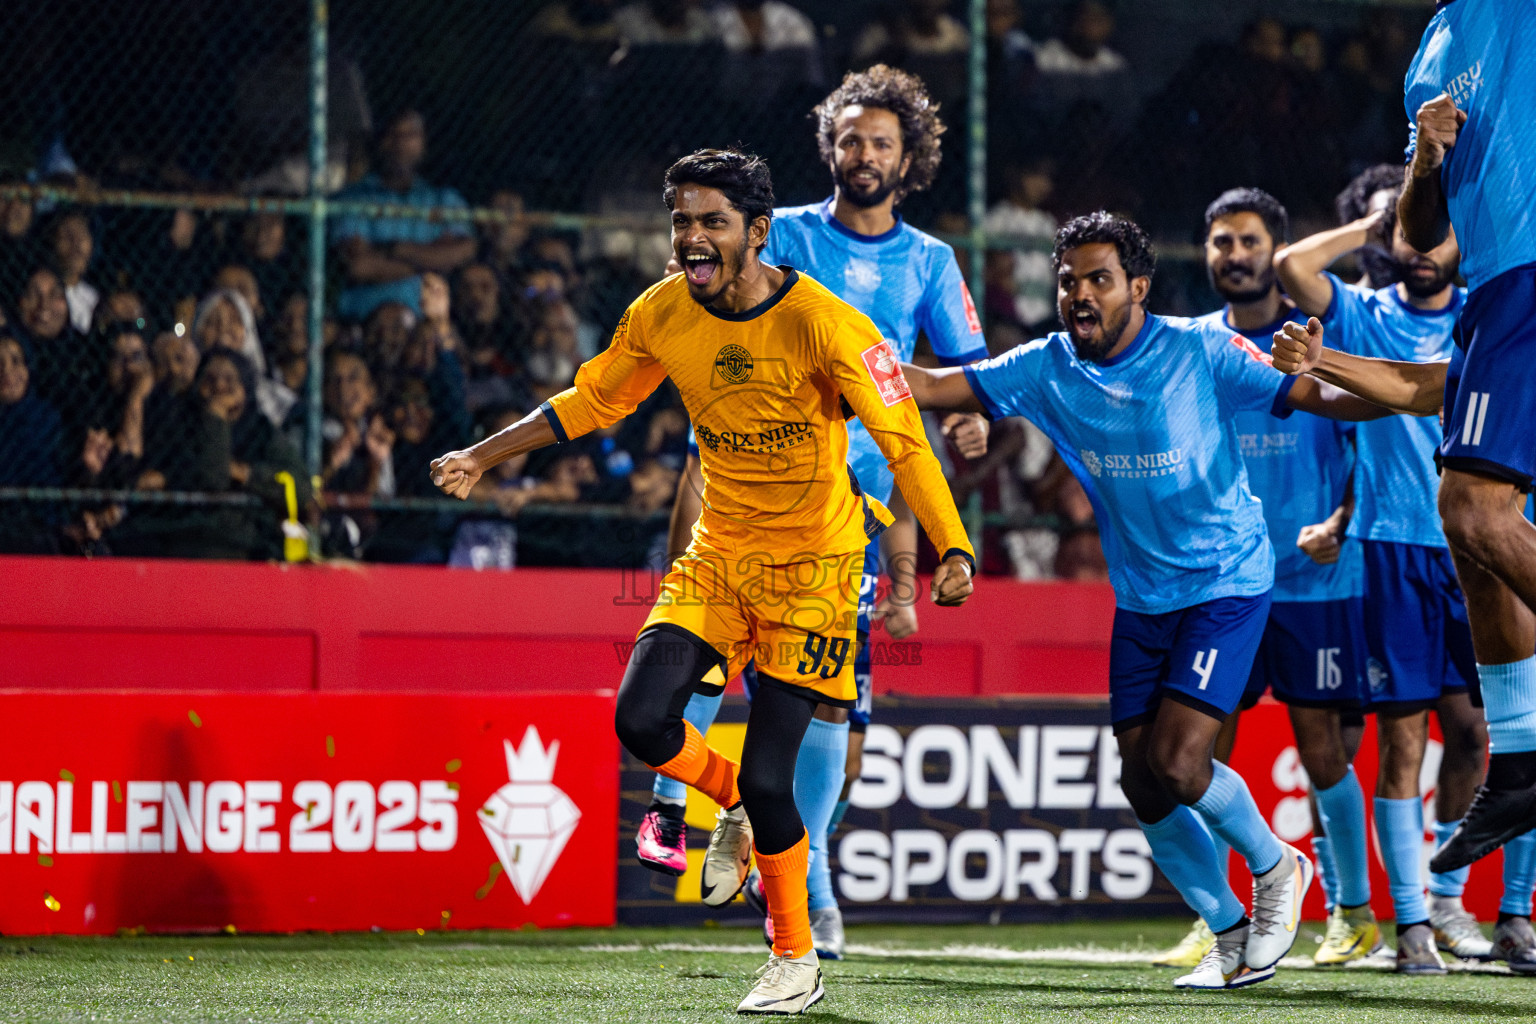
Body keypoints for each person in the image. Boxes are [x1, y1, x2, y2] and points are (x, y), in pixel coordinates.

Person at [430, 148, 976, 1015]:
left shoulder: (829, 326)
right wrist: (482, 456)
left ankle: (795, 956)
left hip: (814, 574)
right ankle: (730, 804)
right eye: (681, 220)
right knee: (640, 718)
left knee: (773, 781)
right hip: (719, 561)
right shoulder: (660, 313)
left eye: (711, 222)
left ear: (758, 233)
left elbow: (906, 441)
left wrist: (953, 548)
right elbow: (592, 400)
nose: (691, 237)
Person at [899, 210, 1394, 990]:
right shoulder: (1047, 365)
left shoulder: (1201, 349)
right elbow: (930, 388)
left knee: (1177, 759)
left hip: (1227, 579)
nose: (1080, 296)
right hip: (1142, 598)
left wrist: (1390, 383)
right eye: (1068, 282)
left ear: (1138, 286)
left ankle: (1277, 869)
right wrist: (834, 350)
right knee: (1140, 780)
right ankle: (1229, 932)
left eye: (1098, 280)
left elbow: (1324, 399)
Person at [633, 65, 990, 960]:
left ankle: (797, 865)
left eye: (881, 141)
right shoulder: (775, 228)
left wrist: (975, 419)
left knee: (832, 716)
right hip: (733, 472)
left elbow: (966, 373)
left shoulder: (932, 263)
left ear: (910, 157)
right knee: (700, 656)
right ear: (828, 143)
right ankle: (718, 827)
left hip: (859, 511)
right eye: (849, 137)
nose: (861, 153)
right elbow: (692, 289)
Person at [1151, 188, 1378, 971]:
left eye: (1248, 241)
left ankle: (1352, 912)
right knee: (1208, 748)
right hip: (1219, 580)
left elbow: (1370, 445)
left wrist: (1342, 524)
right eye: (1219, 242)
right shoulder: (1186, 345)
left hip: (1315, 580)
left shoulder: (1312, 341)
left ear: (1275, 251)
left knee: (1323, 754)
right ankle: (1224, 913)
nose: (1233, 255)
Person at [1273, 186, 1492, 972]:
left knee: (1483, 733)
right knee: (1403, 744)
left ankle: (1453, 901)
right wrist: (1378, 222)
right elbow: (1291, 264)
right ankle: (1412, 928)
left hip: (1485, 543)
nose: (1424, 250)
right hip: (1393, 548)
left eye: (1438, 236)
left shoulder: (1488, 309)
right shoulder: (1367, 314)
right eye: (1410, 235)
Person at [1394, 0, 1536, 883]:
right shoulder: (1431, 51)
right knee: (1476, 526)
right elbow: (1417, 232)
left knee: (1473, 509)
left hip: (1529, 273)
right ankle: (1520, 757)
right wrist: (1425, 157)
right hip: (1489, 287)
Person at [331, 108, 476, 323]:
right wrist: (434, 260)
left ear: (424, 143)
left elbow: (464, 251)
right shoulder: (355, 197)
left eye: (411, 135)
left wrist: (394, 250)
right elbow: (359, 266)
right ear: (381, 141)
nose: (401, 144)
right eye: (394, 135)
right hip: (363, 319)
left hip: (426, 322)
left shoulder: (442, 199)